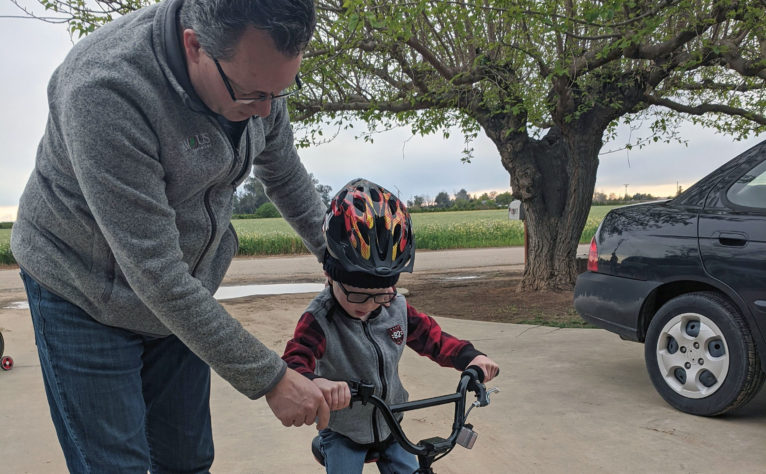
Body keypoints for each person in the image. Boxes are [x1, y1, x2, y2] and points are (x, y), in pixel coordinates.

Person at [10, 0, 330, 471]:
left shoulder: (254, 74)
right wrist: (271, 378)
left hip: (181, 287)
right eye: (251, 94)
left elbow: (282, 171)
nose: (264, 111)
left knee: (187, 461)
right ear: (194, 45)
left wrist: (340, 259)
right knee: (116, 466)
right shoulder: (105, 89)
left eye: (278, 93)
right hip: (82, 286)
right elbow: (157, 274)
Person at [282, 178, 500, 474]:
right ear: (330, 276)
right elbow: (295, 361)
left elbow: (433, 338)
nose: (370, 304)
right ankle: (327, 445)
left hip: (390, 423)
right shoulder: (321, 319)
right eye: (357, 294)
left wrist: (470, 357)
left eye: (381, 294)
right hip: (344, 430)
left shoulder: (394, 307)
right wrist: (313, 382)